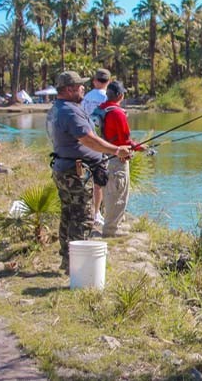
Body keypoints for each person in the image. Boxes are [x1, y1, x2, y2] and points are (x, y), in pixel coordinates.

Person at [47, 71, 131, 273]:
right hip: (74, 172)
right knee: (82, 218)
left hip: (63, 168)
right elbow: (88, 139)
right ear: (69, 89)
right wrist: (115, 150)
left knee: (68, 214)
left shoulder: (56, 109)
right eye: (79, 86)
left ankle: (67, 260)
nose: (83, 88)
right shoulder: (69, 111)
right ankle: (77, 268)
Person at [97, 80, 149, 237]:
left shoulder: (101, 109)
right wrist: (138, 147)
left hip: (102, 157)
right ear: (120, 95)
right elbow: (124, 141)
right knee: (118, 195)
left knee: (109, 193)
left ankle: (113, 225)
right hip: (116, 160)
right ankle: (112, 230)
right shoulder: (118, 113)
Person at [81, 68, 112, 227]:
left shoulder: (86, 96)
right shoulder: (107, 97)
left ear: (94, 81)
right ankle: (96, 213)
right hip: (100, 142)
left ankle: (86, 210)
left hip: (83, 140)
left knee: (84, 177)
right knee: (99, 179)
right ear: (109, 81)